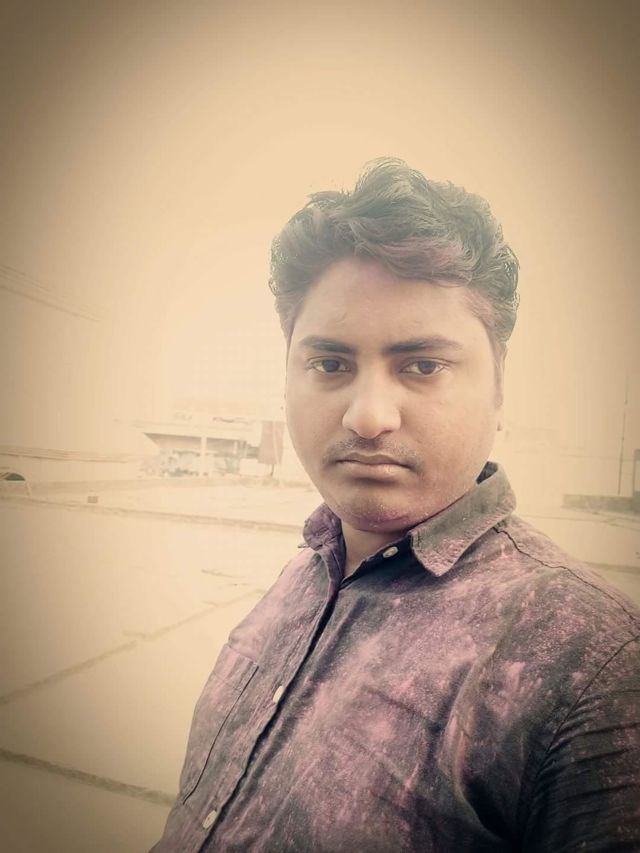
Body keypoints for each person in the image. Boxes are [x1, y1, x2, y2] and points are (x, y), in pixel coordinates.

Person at [152, 159, 640, 852]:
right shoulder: (306, 572)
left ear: (499, 389)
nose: (369, 416)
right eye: (330, 364)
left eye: (422, 365)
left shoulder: (593, 665)